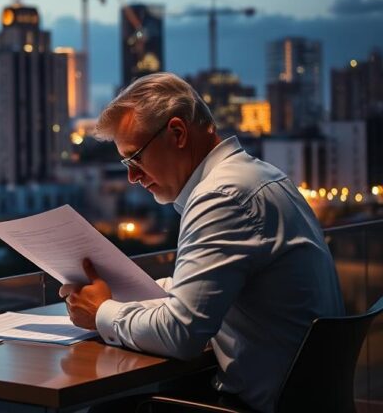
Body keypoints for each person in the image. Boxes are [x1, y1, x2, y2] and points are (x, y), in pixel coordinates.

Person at [61, 73, 343, 412]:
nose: (132, 176)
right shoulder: (259, 176)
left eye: (135, 158)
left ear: (177, 133)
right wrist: (123, 290)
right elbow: (202, 291)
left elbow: (182, 333)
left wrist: (101, 312)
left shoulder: (222, 197)